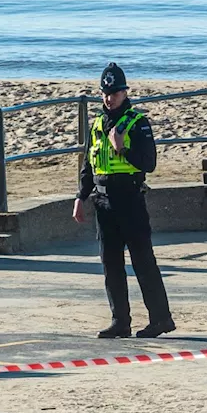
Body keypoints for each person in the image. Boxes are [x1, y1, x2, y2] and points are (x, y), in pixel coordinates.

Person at [73, 62, 176, 339]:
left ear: (125, 92)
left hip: (130, 199)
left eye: (115, 92)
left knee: (143, 261)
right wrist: (80, 197)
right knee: (111, 264)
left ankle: (161, 319)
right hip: (103, 202)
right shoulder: (96, 124)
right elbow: (88, 164)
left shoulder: (137, 122)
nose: (110, 97)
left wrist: (123, 148)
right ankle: (120, 320)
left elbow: (149, 163)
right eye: (106, 92)